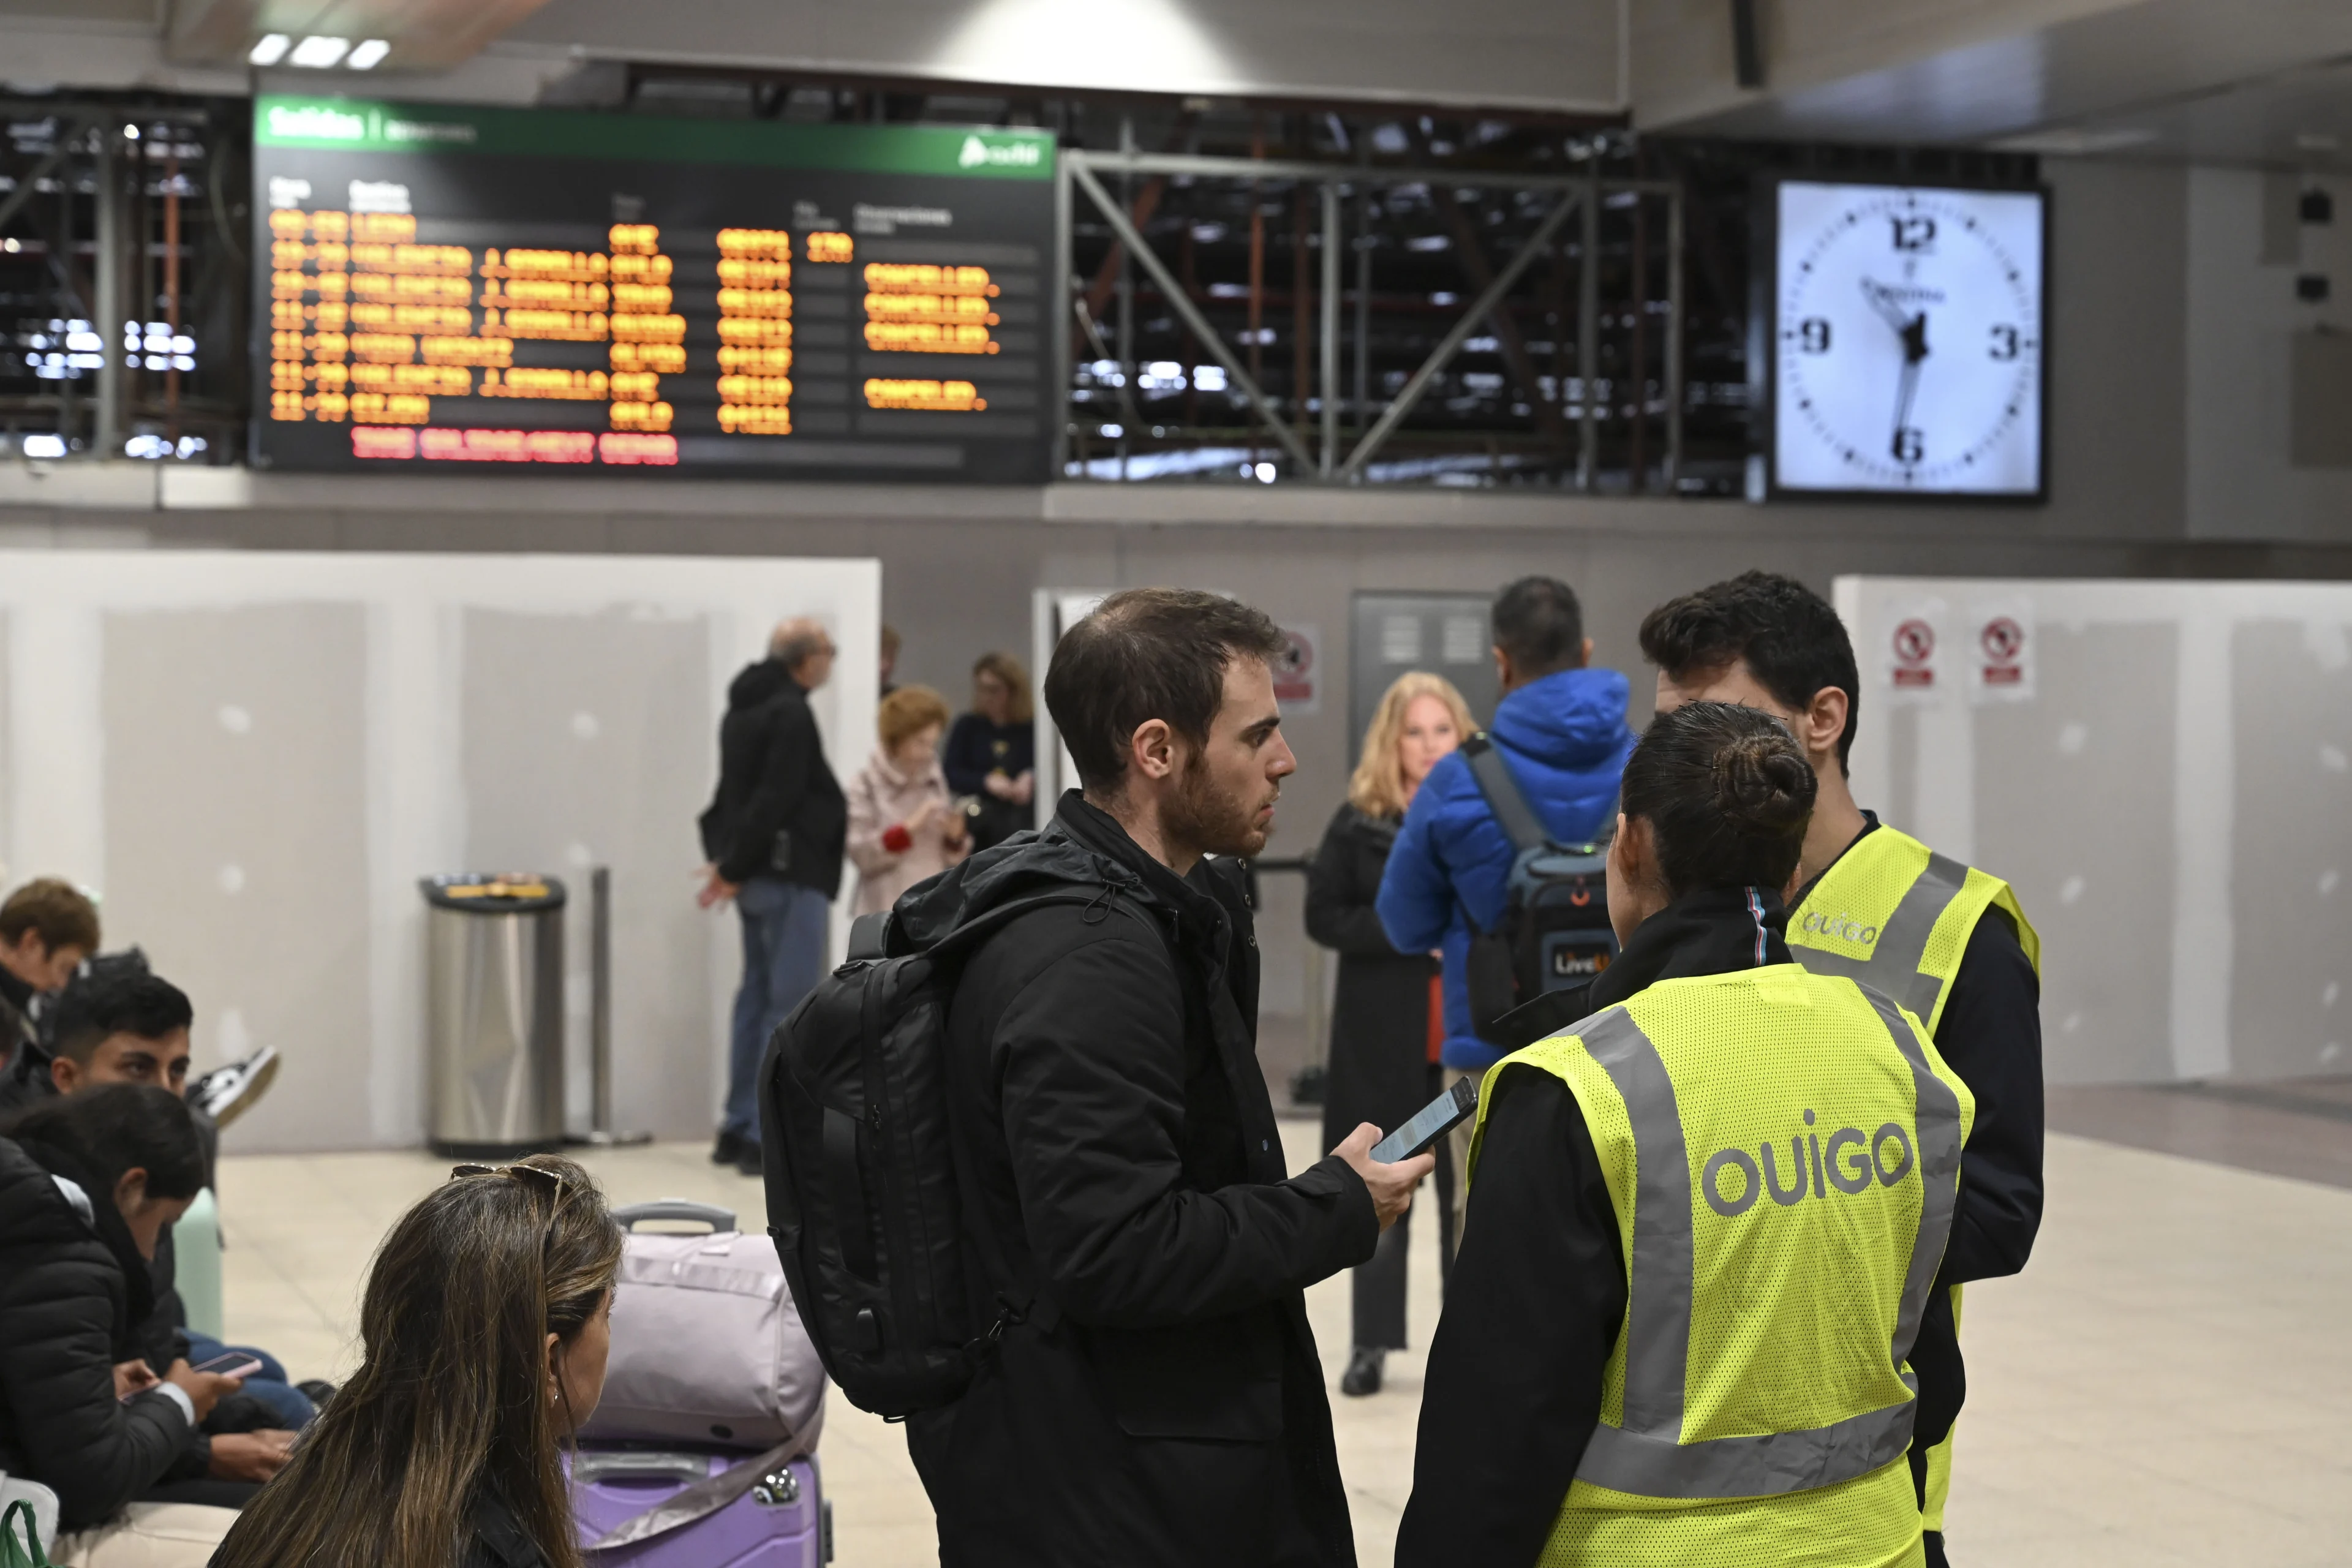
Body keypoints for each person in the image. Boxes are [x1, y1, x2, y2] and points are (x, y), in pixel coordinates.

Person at [897, 587, 1432, 1567]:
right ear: (1157, 751)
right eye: (1257, 734)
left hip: (1139, 1456)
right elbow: (1114, 1249)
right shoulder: (1091, 959)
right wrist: (1336, 1206)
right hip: (1115, 1492)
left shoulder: (1151, 911)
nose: (1286, 758)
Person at [1396, 701, 1975, 1568]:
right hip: (1878, 1545)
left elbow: (1493, 1443)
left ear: (1628, 847)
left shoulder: (1575, 1090)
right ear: (1788, 877)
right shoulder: (1902, 1052)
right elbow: (1930, 1374)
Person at [1640, 571, 2042, 1567]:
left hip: (1873, 1471)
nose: (1674, 760)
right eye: (1665, 729)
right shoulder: (1656, 900)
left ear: (1823, 720)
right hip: (1666, 1473)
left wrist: (1791, 1222)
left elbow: (1999, 1209)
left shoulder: (1957, 931)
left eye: (1715, 720)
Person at [1375, 576, 1635, 1263]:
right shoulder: (1653, 764)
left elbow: (1402, 922)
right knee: (1626, 1244)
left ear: (1501, 661)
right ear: (1585, 651)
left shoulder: (1458, 779)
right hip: (1633, 1055)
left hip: (1494, 1061)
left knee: (1491, 1251)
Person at [211, 1155, 623, 1568]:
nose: (610, 1336)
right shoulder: (493, 1552)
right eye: (607, 1315)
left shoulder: (289, 1502)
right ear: (549, 1362)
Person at [39, 965, 319, 1441]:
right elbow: (73, 1438)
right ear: (66, 1076)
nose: (166, 1093)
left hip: (146, 1354)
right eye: (138, 1069)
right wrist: (206, 1444)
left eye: (179, 1070)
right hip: (111, 1408)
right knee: (286, 1408)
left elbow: (147, 1328)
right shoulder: (48, 1195)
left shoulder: (137, 1152)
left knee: (265, 1370)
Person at [1306, 671, 1472, 1398]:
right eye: (1416, 732)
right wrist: (1408, 935)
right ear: (1391, 742)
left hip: (1460, 1033)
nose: (1430, 746)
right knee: (1384, 1187)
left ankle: (1466, 1344)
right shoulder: (1358, 820)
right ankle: (1371, 1342)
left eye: (1442, 730)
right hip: (1382, 1036)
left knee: (1466, 1198)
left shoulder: (1481, 814)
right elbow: (1325, 916)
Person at [0, 1084, 243, 1566]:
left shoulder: (26, 1202)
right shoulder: (61, 1254)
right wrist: (179, 1403)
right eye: (164, 1223)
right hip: (22, 1522)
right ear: (131, 1188)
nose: (155, 1250)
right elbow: (93, 1483)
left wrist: (99, 1389)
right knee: (278, 1531)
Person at [698, 617, 848, 1178]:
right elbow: (778, 797)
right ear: (805, 659)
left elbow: (731, 797)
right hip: (786, 876)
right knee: (788, 1008)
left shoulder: (742, 708)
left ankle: (736, 1127)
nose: (832, 661)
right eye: (829, 651)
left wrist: (730, 865)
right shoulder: (790, 712)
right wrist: (735, 865)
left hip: (756, 878)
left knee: (755, 1000)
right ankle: (767, 1135)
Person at [847, 685, 972, 917]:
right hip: (883, 907)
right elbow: (860, 852)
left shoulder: (934, 778)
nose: (926, 752)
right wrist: (909, 828)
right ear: (896, 739)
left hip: (929, 905)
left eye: (932, 743)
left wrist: (955, 837)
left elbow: (950, 856)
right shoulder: (866, 783)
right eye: (919, 742)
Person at [0, 878, 100, 1084]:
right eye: (65, 968)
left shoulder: (14, 1010)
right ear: (32, 943)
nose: (61, 984)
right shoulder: (6, 1017)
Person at [941, 651, 1036, 851]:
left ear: (1013, 691)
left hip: (1023, 823)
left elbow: (1053, 768)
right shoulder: (967, 726)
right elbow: (950, 773)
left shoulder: (1032, 730)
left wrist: (1031, 776)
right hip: (977, 823)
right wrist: (986, 781)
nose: (986, 697)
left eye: (994, 690)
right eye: (981, 689)